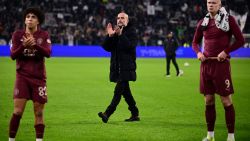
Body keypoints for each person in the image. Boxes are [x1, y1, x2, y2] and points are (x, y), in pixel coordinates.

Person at [192, 0, 245, 141]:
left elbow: (240, 40)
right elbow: (194, 42)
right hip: (206, 65)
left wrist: (226, 51)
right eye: (209, 2)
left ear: (219, 5)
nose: (211, 4)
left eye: (214, 2)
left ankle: (231, 137)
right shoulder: (203, 22)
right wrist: (198, 53)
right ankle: (210, 136)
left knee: (226, 101)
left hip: (221, 66)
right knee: (208, 101)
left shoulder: (229, 20)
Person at [8, 7, 51, 141]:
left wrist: (35, 46)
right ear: (25, 20)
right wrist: (24, 46)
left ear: (38, 21)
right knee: (17, 112)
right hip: (22, 78)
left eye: (33, 17)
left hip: (39, 79)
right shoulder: (17, 35)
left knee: (38, 112)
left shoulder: (44, 35)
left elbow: (48, 53)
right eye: (28, 17)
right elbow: (13, 55)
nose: (30, 19)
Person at [98, 12, 140, 123]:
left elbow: (130, 47)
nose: (120, 20)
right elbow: (106, 47)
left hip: (127, 67)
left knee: (118, 92)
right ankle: (135, 113)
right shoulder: (115, 32)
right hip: (117, 68)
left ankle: (107, 113)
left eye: (122, 18)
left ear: (127, 20)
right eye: (118, 18)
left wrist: (121, 35)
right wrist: (109, 36)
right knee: (126, 94)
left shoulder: (132, 32)